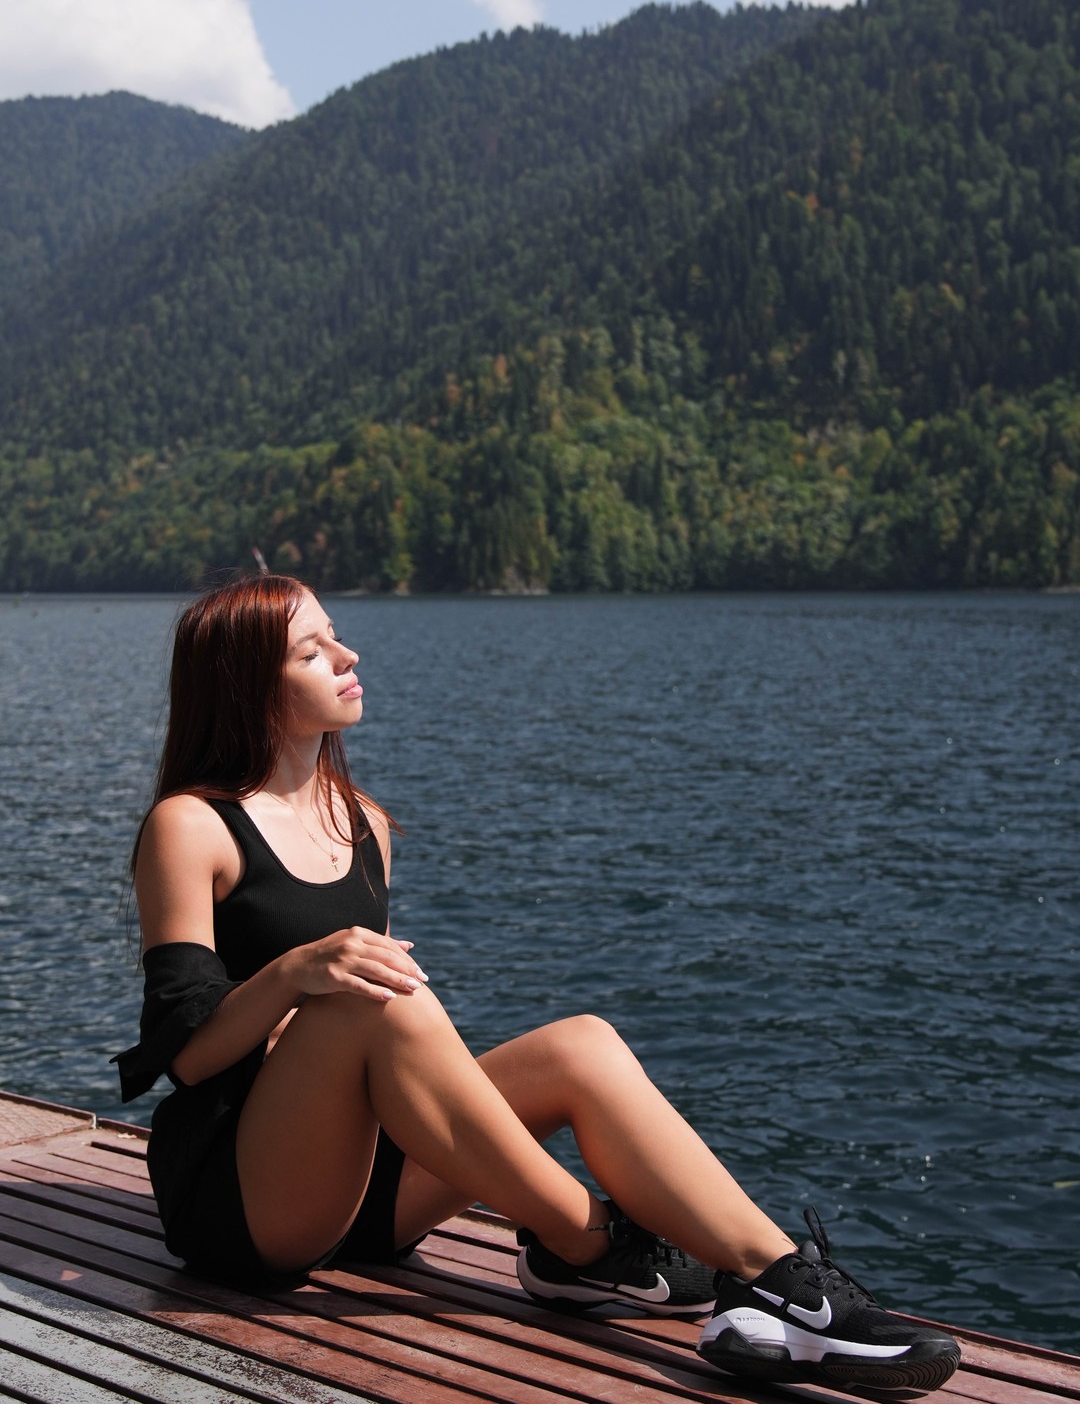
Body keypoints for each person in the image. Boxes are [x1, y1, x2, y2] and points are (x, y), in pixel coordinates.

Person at [115, 574, 960, 1398]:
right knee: (372, 1003)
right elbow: (184, 1056)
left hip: (363, 1187)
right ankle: (589, 1244)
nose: (348, 655)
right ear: (248, 687)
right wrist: (300, 973)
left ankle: (783, 1280)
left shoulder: (361, 820)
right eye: (312, 651)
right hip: (245, 1204)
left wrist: (332, 991)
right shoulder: (192, 825)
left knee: (581, 1046)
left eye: (336, 635)